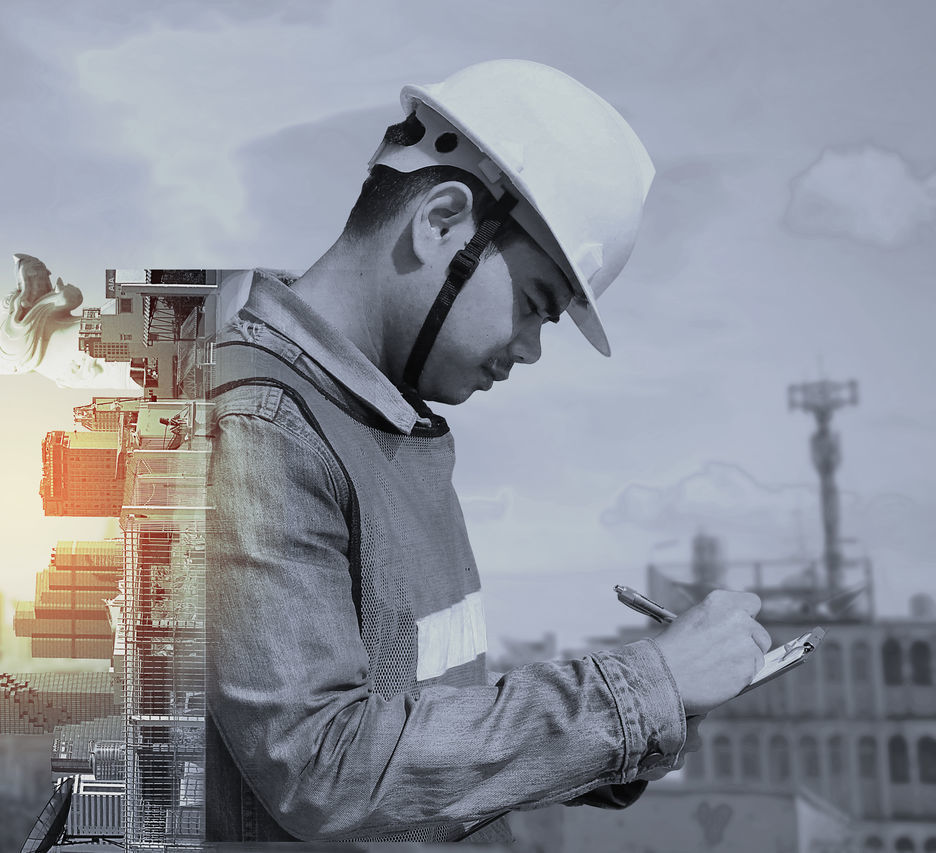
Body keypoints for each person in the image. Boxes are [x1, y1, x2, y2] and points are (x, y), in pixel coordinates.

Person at [204, 60, 770, 843]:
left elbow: (431, 733)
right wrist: (644, 688)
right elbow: (322, 767)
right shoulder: (262, 426)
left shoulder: (381, 420)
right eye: (538, 303)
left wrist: (661, 705)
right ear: (441, 220)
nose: (533, 348)